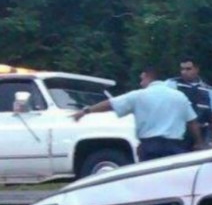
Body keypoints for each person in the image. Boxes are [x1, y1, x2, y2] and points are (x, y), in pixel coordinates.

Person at [72, 67, 201, 161]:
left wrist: (85, 111)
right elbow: (192, 121)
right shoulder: (180, 97)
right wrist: (198, 142)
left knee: (148, 182)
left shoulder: (139, 95)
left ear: (147, 77)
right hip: (175, 147)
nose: (140, 83)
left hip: (150, 147)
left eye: (142, 79)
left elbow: (110, 104)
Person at [166, 56, 212, 148]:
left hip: (202, 133)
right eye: (182, 69)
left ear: (196, 69)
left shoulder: (207, 90)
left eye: (188, 69)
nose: (184, 72)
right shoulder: (172, 85)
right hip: (179, 134)